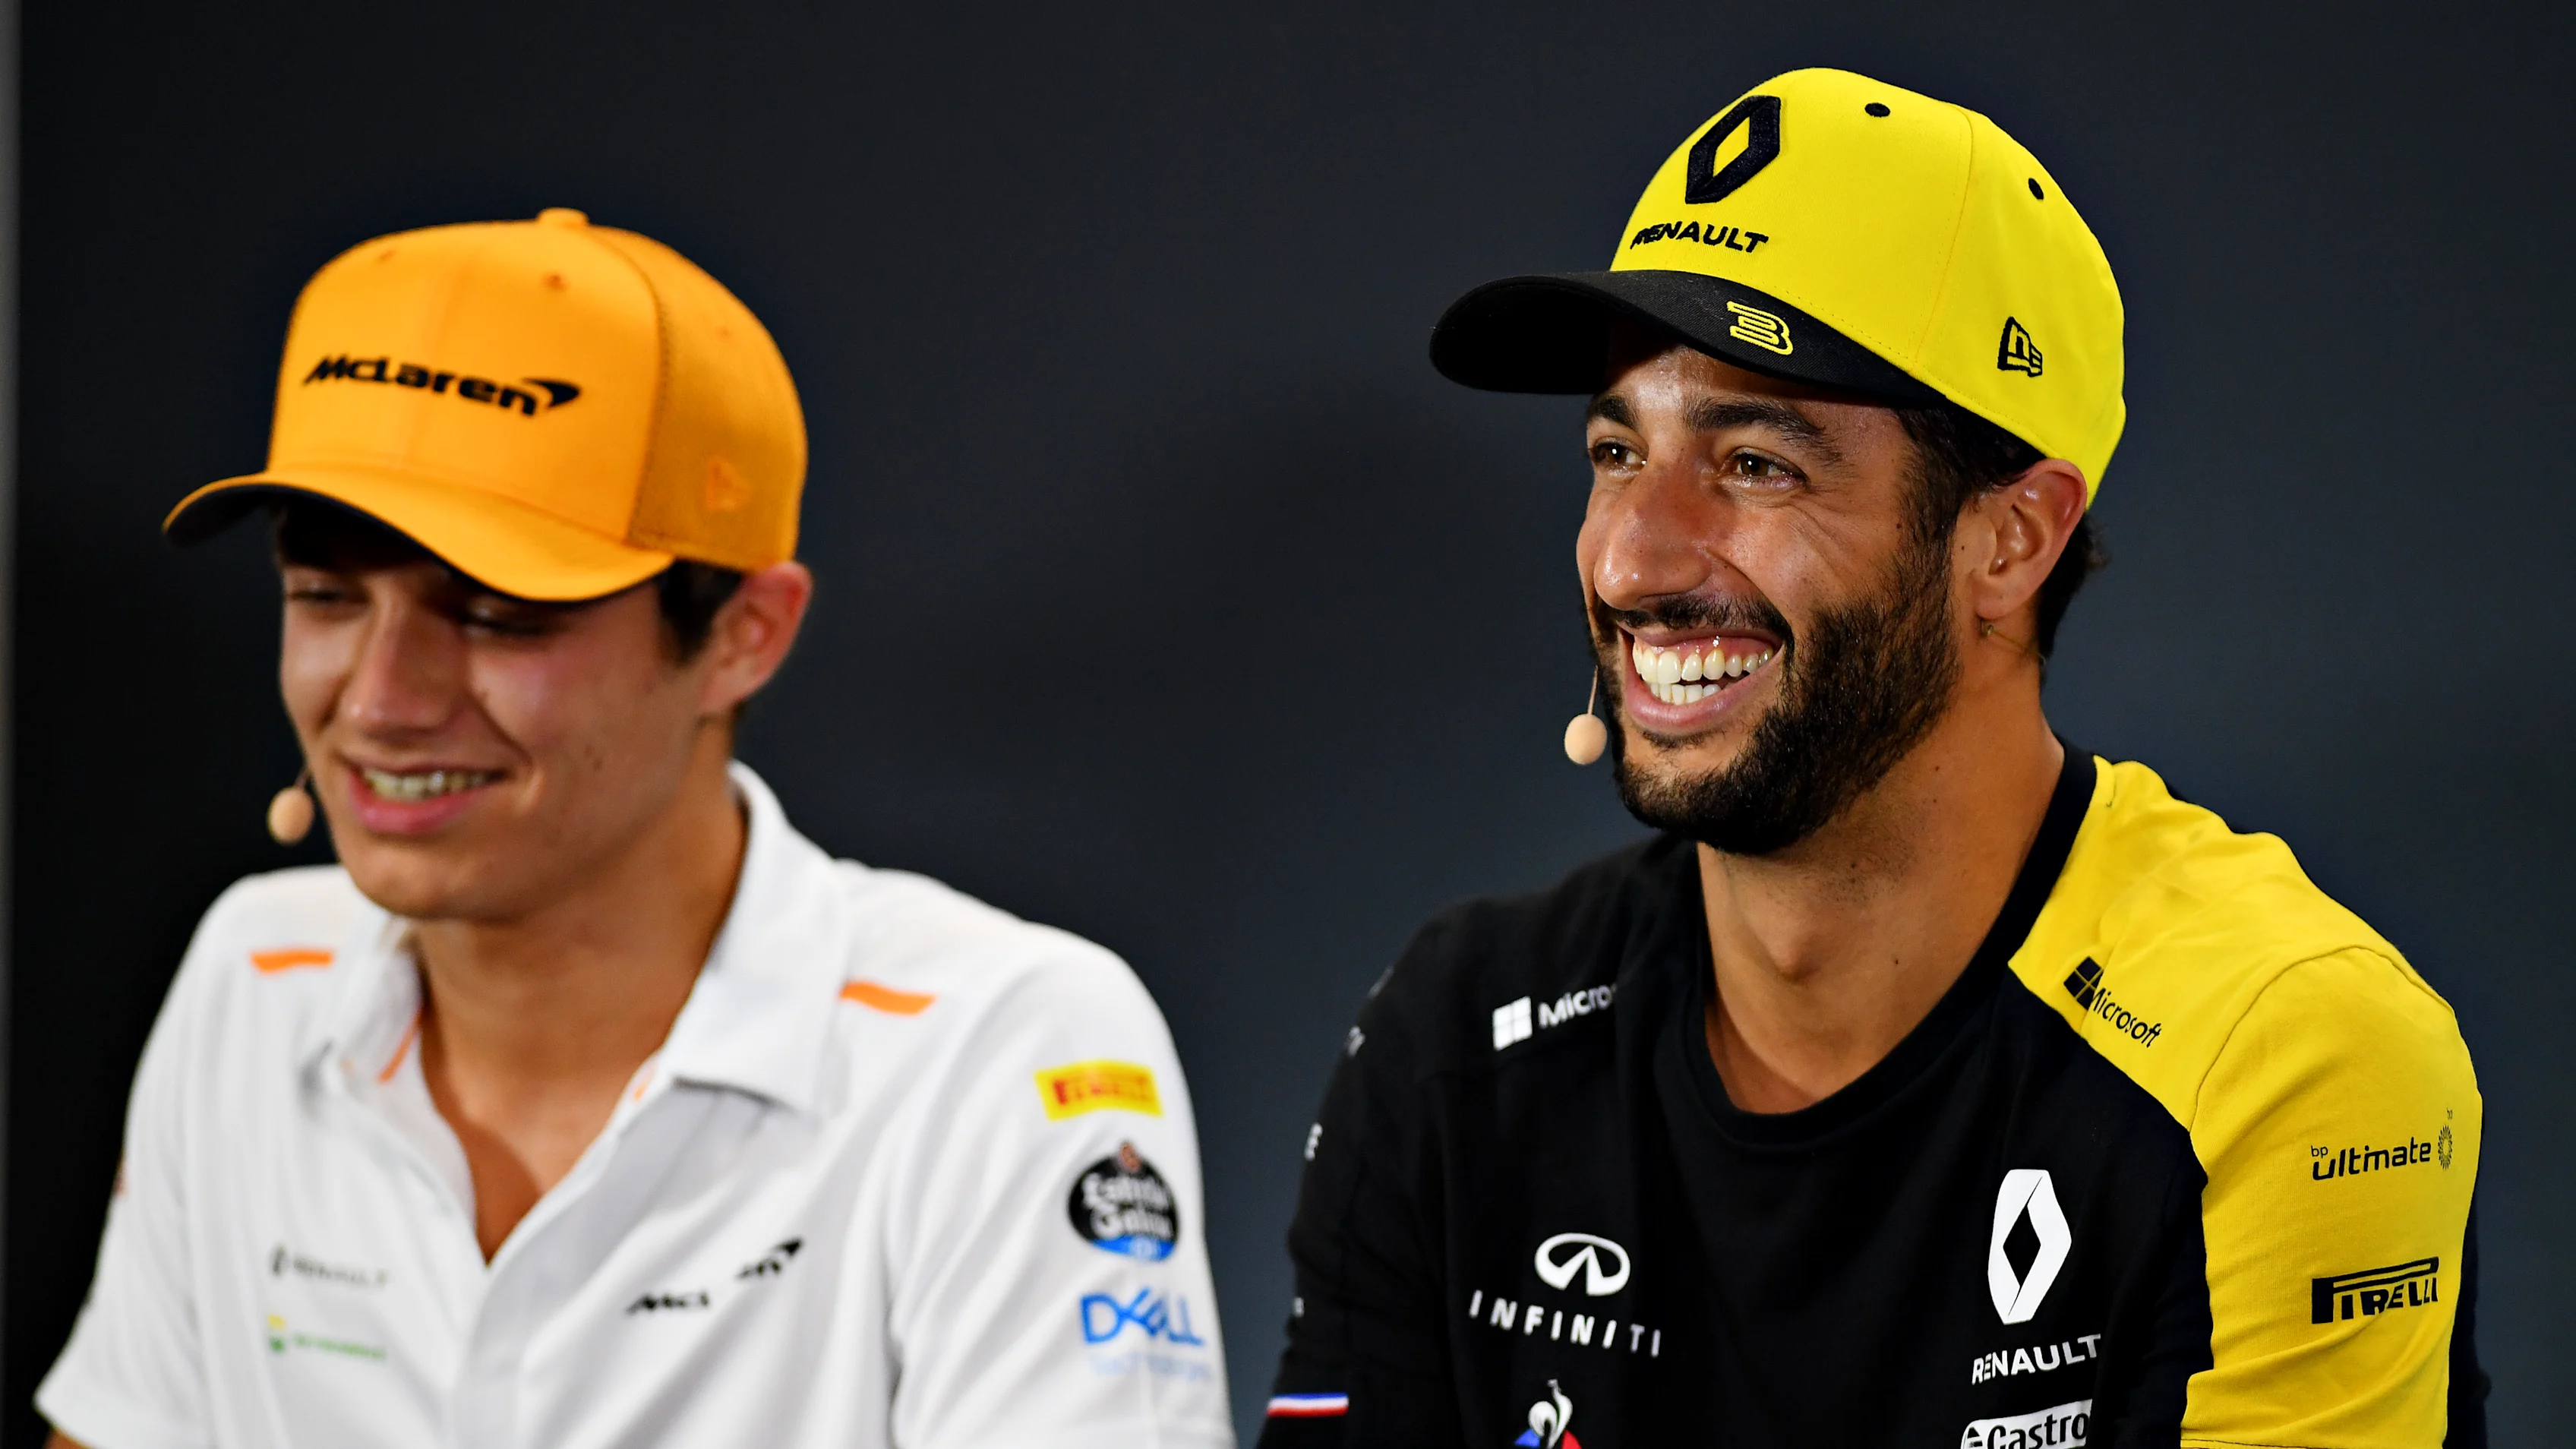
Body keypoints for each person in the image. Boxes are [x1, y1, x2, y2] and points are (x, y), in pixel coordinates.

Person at [1257, 68, 2483, 1448]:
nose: (1630, 556)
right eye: (1617, 448)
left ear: (2010, 539)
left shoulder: (2275, 1059)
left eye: (1757, 463)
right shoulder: (1459, 1038)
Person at [37, 209, 1233, 1448]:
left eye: (498, 614)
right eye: (325, 596)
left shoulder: (1000, 1050)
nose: (383, 700)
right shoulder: (253, 974)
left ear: (743, 634)